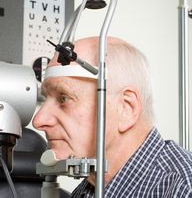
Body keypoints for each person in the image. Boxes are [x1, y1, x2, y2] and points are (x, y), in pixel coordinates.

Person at [32, 36, 192, 197]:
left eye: (63, 98)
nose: (38, 121)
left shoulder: (183, 189)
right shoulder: (87, 190)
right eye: (46, 98)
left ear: (126, 108)